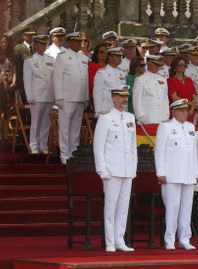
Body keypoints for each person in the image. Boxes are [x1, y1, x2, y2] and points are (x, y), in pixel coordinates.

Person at [93, 85, 137, 252]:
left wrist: (133, 168)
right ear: (113, 98)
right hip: (111, 170)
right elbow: (98, 146)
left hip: (127, 170)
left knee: (123, 207)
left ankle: (120, 240)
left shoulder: (130, 117)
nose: (124, 100)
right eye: (120, 97)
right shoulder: (105, 118)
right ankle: (110, 242)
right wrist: (102, 170)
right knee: (110, 207)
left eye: (126, 97)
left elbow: (133, 146)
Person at [155, 99, 198, 250]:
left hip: (188, 174)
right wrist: (160, 172)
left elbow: (193, 153)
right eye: (181, 110)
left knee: (187, 207)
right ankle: (170, 239)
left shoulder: (190, 127)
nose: (185, 113)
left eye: (186, 110)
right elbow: (159, 151)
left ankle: (185, 238)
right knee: (172, 207)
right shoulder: (165, 127)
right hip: (171, 175)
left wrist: (195, 172)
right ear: (173, 111)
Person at [53, 32, 89, 164]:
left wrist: (85, 98)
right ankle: (64, 154)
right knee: (65, 127)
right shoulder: (62, 57)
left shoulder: (83, 58)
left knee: (76, 127)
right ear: (69, 42)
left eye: (80, 41)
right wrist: (59, 97)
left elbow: (84, 80)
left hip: (79, 97)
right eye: (76, 41)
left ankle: (73, 152)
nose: (80, 43)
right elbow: (57, 78)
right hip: (67, 97)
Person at [23, 34, 55, 154]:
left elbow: (53, 79)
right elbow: (27, 80)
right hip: (37, 96)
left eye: (44, 43)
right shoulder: (29, 61)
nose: (43, 46)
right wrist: (29, 96)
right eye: (40, 43)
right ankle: (34, 146)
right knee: (36, 123)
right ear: (35, 45)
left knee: (46, 123)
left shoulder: (51, 60)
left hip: (48, 95)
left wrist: (55, 96)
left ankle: (43, 145)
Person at [133, 55, 169, 123]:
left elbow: (165, 99)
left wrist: (166, 115)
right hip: (148, 118)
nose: (157, 66)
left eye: (158, 64)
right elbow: (137, 100)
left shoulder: (163, 79)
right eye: (156, 64)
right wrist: (141, 117)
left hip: (162, 118)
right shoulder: (140, 80)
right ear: (149, 63)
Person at [93, 47, 126, 117]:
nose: (120, 58)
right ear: (110, 57)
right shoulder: (102, 73)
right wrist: (98, 112)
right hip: (107, 110)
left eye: (120, 56)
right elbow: (97, 94)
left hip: (121, 110)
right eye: (117, 56)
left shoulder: (122, 73)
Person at [168, 56, 198, 122]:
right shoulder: (170, 80)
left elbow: (194, 98)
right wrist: (189, 105)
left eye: (184, 65)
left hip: (189, 113)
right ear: (175, 67)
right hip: (177, 112)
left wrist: (191, 109)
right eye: (180, 65)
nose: (182, 67)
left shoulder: (189, 80)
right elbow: (175, 98)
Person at [14, 27, 36, 104]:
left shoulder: (37, 47)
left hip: (37, 82)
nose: (31, 36)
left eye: (33, 35)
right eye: (29, 35)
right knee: (27, 105)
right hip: (24, 82)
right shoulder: (18, 49)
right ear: (23, 36)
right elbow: (18, 68)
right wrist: (20, 84)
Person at [88, 43, 108, 111]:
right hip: (97, 99)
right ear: (96, 54)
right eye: (101, 52)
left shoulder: (110, 66)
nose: (104, 53)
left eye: (106, 52)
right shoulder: (92, 66)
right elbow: (92, 84)